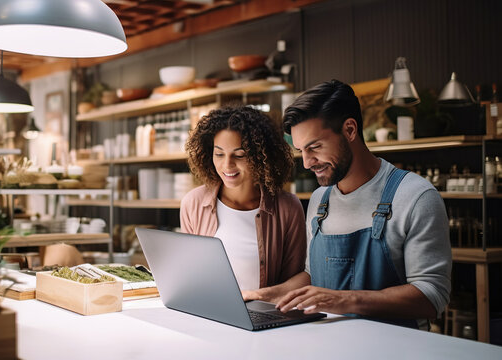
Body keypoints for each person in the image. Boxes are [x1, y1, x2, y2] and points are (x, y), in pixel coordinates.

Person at [243, 80, 451, 329]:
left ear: (350, 130)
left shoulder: (415, 196)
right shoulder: (320, 200)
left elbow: (431, 296)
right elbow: (312, 275)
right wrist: (264, 295)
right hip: (328, 347)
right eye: (301, 151)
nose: (307, 163)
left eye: (315, 147)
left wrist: (344, 300)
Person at [180, 105, 306, 291]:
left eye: (240, 155)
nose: (227, 165)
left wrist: (260, 298)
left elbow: (295, 280)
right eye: (219, 154)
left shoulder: (288, 207)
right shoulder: (194, 203)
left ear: (261, 157)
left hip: (266, 314)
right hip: (208, 314)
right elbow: (189, 273)